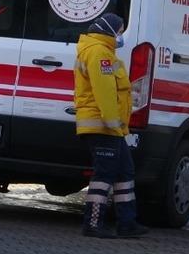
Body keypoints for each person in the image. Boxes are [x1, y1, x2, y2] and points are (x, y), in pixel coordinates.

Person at [74, 13, 149, 238]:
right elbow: (104, 92)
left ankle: (127, 222)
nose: (121, 36)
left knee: (125, 171)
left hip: (109, 127)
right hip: (103, 125)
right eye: (119, 31)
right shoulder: (99, 53)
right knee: (104, 174)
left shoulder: (104, 52)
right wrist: (113, 123)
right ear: (109, 30)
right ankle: (93, 223)